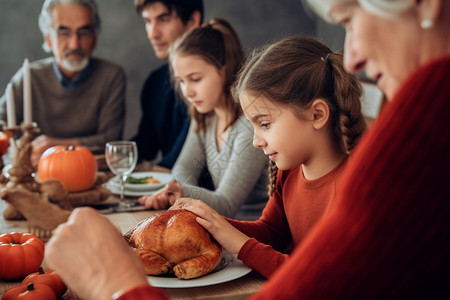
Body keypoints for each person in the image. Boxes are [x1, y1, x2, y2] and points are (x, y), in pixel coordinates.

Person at [44, 0, 450, 298]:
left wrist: (113, 285)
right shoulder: (291, 171)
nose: (354, 57)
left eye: (349, 18)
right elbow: (273, 233)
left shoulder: (404, 137)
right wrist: (217, 224)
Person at [170, 35, 366, 279]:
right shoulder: (291, 169)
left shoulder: (356, 190)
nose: (256, 141)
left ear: (317, 114)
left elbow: (320, 278)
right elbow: (272, 232)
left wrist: (241, 245)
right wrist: (211, 222)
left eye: (264, 123)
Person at [138, 18, 269, 220]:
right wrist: (177, 189)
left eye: (195, 79)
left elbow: (226, 204)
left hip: (248, 241)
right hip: (220, 232)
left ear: (225, 69)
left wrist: (181, 192)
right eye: (181, 81)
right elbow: (182, 168)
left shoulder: (249, 125)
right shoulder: (205, 117)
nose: (187, 92)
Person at [0, 0, 126, 168]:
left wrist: (57, 147)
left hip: (91, 172)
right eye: (63, 32)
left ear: (95, 38)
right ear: (48, 38)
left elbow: (111, 140)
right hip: (37, 175)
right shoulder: (28, 77)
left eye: (84, 32)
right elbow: (2, 129)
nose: (75, 44)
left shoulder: (111, 77)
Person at [131, 0, 202, 169]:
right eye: (148, 21)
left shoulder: (213, 83)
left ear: (192, 21)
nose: (152, 34)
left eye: (164, 19)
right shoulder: (155, 81)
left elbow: (182, 158)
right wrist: (108, 157)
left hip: (198, 193)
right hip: (170, 187)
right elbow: (147, 145)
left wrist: (149, 173)